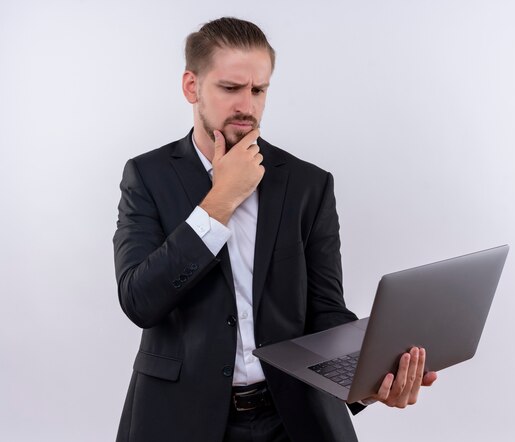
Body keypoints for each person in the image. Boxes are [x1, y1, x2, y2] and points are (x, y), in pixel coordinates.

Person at [113, 17, 437, 442]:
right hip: (180, 419)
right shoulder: (146, 176)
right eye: (230, 89)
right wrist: (220, 202)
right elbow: (139, 300)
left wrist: (370, 379)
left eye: (259, 90)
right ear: (192, 87)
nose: (247, 105)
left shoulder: (308, 184)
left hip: (295, 418)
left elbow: (326, 314)